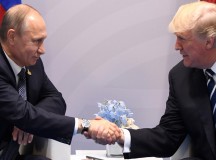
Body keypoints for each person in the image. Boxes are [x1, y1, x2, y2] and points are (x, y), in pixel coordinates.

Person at [0, 4, 120, 160]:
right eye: (36, 41)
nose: (42, 50)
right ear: (12, 37)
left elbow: (56, 99)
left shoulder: (32, 63)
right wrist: (86, 125)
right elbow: (24, 115)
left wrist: (29, 122)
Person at [112, 1, 216, 160]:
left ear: (209, 41)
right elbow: (169, 136)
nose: (176, 46)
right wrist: (120, 135)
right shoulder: (181, 76)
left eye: (182, 38)